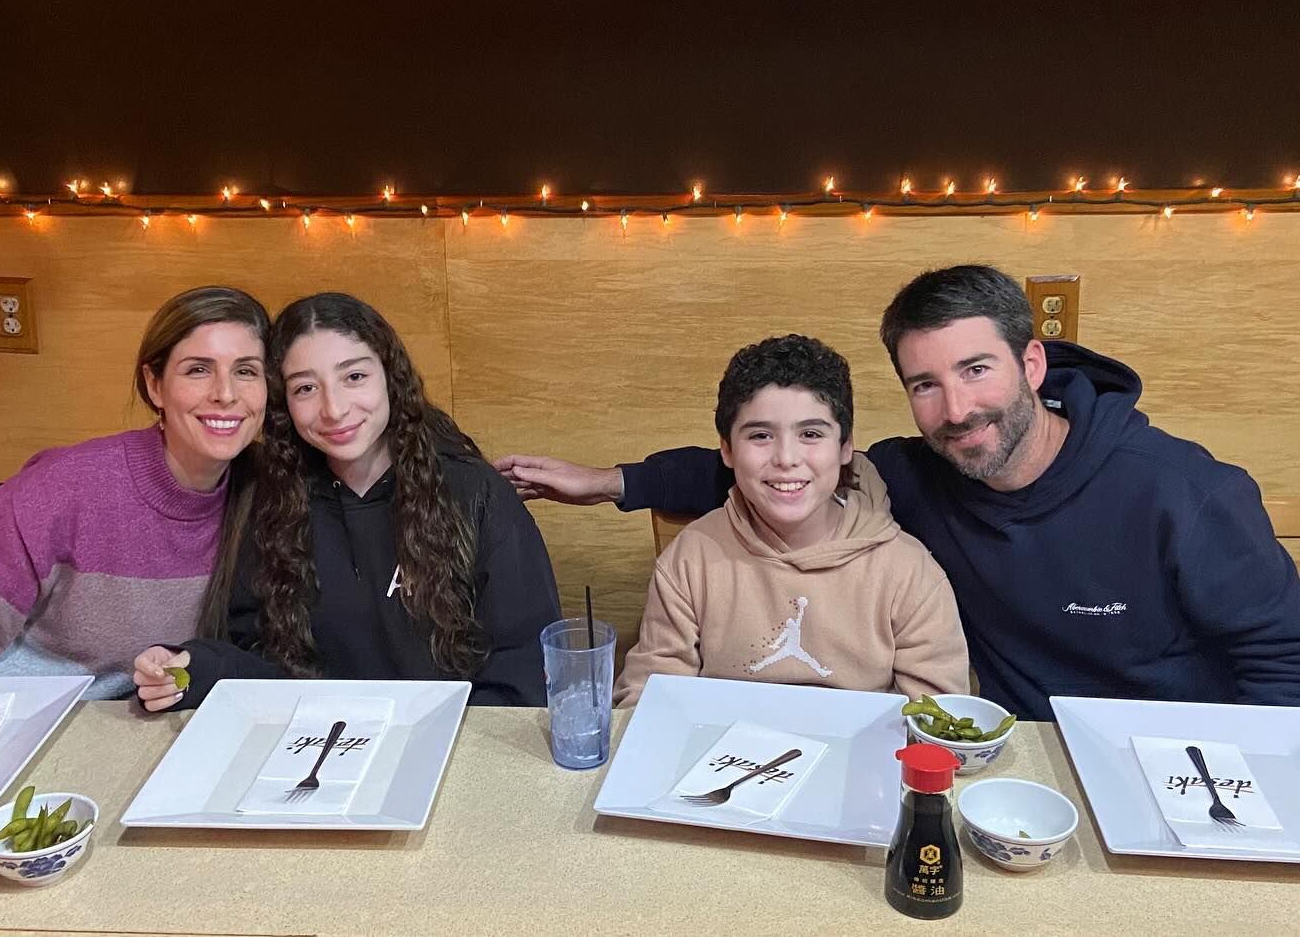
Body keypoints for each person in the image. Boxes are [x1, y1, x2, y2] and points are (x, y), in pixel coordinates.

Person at [497, 265, 1300, 721]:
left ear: (1031, 365)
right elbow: (770, 472)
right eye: (925, 383)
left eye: (976, 370)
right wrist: (610, 482)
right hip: (1009, 755)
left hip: (1171, 761)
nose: (956, 409)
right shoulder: (916, 471)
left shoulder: (1184, 492)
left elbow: (1285, 665)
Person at [133, 292, 561, 710]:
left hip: (454, 751)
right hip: (317, 750)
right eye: (305, 389)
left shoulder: (476, 495)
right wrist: (189, 671)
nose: (334, 409)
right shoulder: (275, 504)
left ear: (390, 377)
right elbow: (258, 664)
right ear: (283, 402)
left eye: (354, 377)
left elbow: (525, 669)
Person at [0, 285, 270, 719]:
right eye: (198, 370)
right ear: (155, 385)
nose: (226, 393)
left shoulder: (266, 496)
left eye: (245, 371)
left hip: (125, 728)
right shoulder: (73, 484)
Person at [613, 334, 968, 706]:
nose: (786, 458)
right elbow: (648, 697)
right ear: (728, 450)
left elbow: (935, 719)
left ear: (846, 447)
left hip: (862, 759)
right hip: (722, 758)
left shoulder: (909, 572)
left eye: (811, 434)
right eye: (761, 435)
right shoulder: (691, 558)